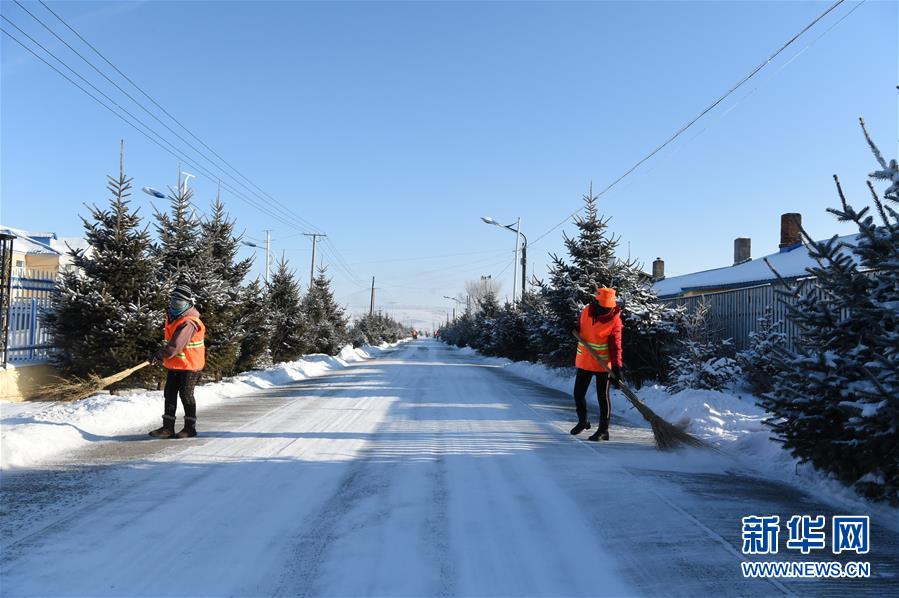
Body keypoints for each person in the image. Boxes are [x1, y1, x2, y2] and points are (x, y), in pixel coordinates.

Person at [148, 284, 206, 439]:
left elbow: (176, 345)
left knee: (186, 395)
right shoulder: (174, 316)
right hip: (175, 364)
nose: (175, 304)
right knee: (170, 394)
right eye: (173, 300)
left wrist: (161, 355)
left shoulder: (189, 322)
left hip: (190, 365)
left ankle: (190, 428)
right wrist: (161, 355)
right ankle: (167, 428)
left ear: (188, 303)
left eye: (179, 301)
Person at [570, 287, 623, 441]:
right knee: (578, 394)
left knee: (602, 397)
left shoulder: (615, 320)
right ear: (596, 303)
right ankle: (583, 421)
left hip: (603, 365)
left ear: (612, 306)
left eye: (607, 308)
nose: (604, 311)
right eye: (602, 308)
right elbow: (580, 327)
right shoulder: (586, 311)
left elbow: (616, 346)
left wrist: (617, 368)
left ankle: (603, 429)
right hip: (585, 360)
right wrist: (573, 328)